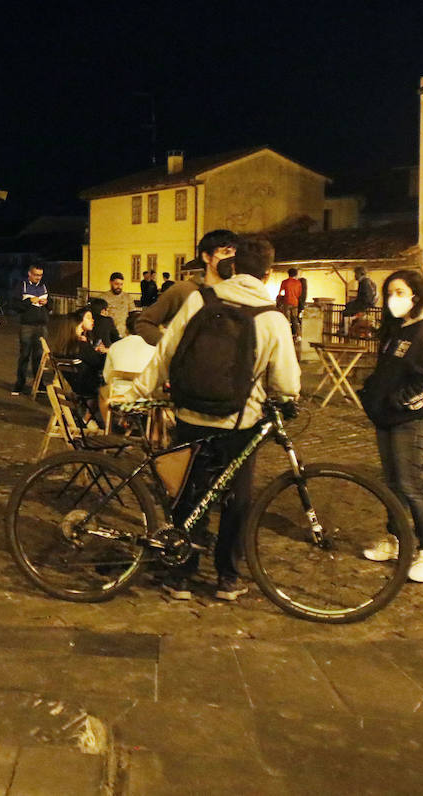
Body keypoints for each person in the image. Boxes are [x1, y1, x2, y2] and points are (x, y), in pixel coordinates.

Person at [135, 235, 300, 602]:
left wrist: (138, 394)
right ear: (269, 274)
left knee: (188, 492)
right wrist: (287, 399)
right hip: (238, 423)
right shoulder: (272, 317)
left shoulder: (200, 299)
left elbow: (166, 349)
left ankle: (179, 575)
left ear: (234, 266)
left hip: (191, 412)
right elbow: (287, 381)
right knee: (236, 500)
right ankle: (227, 577)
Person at [359, 269, 423, 583]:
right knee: (392, 483)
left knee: (411, 486)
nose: (393, 299)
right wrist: (371, 395)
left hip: (409, 421)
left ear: (416, 294)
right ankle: (396, 538)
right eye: (390, 293)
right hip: (386, 418)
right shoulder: (399, 328)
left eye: (400, 292)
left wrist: (400, 403)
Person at [135, 229, 238, 346]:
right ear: (206, 257)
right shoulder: (183, 290)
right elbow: (144, 323)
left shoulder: (236, 293)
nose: (232, 259)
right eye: (226, 253)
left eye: (236, 254)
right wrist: (170, 347)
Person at [51, 308, 105, 428]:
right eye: (89, 317)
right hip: (87, 386)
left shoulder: (64, 345)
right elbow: (99, 363)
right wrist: (106, 352)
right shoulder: (81, 345)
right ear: (79, 322)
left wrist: (90, 350)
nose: (93, 320)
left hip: (71, 385)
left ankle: (85, 418)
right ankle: (86, 420)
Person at [12, 263, 49, 395]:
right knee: (25, 355)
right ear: (29, 274)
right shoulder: (22, 286)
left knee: (39, 357)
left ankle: (39, 384)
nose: (38, 278)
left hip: (41, 326)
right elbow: (15, 305)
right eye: (36, 275)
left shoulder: (43, 287)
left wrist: (47, 304)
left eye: (40, 275)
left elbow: (50, 308)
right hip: (27, 325)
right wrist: (29, 301)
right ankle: (20, 384)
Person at [96, 271, 137, 339]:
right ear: (110, 282)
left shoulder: (127, 297)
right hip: (108, 335)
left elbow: (133, 316)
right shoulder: (102, 298)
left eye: (121, 284)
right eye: (116, 284)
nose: (119, 287)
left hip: (124, 335)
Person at [343, 265, 378, 332]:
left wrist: (357, 303)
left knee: (346, 311)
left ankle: (346, 330)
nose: (355, 276)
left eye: (356, 274)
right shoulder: (370, 282)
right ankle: (349, 328)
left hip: (363, 305)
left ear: (361, 274)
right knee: (349, 307)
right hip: (367, 304)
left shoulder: (364, 282)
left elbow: (365, 297)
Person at [277, 268, 306, 338]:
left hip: (286, 302)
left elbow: (280, 293)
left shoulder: (284, 282)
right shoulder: (298, 283)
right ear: (295, 274)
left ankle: (286, 334)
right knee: (295, 319)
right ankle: (297, 335)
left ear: (288, 274)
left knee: (286, 319)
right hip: (295, 303)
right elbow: (299, 294)